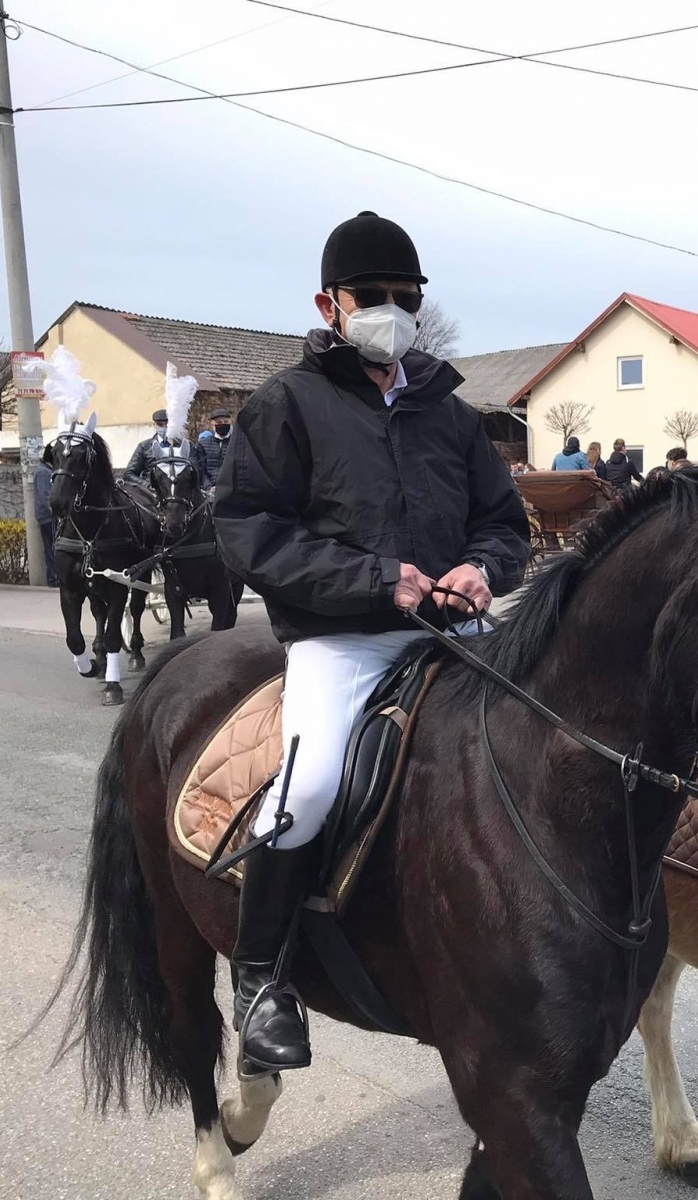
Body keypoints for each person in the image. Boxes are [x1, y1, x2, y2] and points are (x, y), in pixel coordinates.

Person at [213, 210, 530, 1077]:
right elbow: (248, 530)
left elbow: (506, 526)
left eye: (405, 297)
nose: (391, 310)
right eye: (373, 297)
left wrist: (480, 568)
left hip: (455, 632)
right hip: (343, 642)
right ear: (329, 304)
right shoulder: (286, 404)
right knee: (309, 785)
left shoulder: (454, 416)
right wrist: (371, 580)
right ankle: (261, 977)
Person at [127, 408, 210, 485]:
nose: (164, 427)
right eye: (160, 425)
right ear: (154, 425)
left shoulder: (185, 445)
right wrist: (147, 485)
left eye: (167, 424)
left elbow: (196, 470)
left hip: (179, 490)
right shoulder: (144, 446)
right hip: (152, 492)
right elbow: (129, 474)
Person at [33, 458, 58, 587]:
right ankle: (55, 578)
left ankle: (53, 578)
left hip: (46, 517)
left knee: (51, 547)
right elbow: (46, 496)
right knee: (54, 547)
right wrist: (56, 512)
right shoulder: (44, 473)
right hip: (49, 517)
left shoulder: (44, 471)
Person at [198, 407, 234, 489]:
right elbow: (201, 469)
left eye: (226, 422)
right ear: (212, 424)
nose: (222, 424)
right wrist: (208, 486)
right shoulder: (203, 444)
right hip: (209, 490)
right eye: (219, 422)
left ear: (230, 423)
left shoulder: (236, 442)